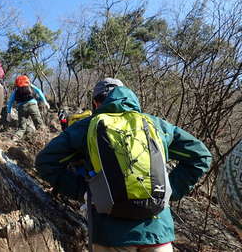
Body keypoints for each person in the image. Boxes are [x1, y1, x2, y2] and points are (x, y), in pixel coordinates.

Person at [35, 77, 212, 252]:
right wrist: (170, 189)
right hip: (158, 231)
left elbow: (45, 162)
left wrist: (83, 192)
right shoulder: (156, 124)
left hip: (110, 235)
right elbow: (200, 155)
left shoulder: (87, 127)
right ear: (129, 97)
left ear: (96, 103)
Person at [7, 75, 50, 141]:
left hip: (21, 107)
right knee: (39, 124)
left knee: (22, 127)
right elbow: (39, 91)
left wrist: (9, 113)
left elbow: (10, 101)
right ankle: (44, 139)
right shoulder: (30, 85)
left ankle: (15, 138)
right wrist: (45, 102)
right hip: (32, 105)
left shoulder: (16, 90)